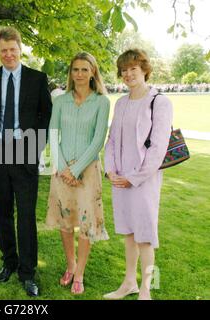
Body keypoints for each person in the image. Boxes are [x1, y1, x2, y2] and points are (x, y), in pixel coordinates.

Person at [0, 26, 52, 297]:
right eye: (3, 50)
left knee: (27, 214)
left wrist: (36, 145)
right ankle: (8, 262)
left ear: (20, 49)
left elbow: (46, 114)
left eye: (13, 49)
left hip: (24, 153)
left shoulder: (37, 78)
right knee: (3, 213)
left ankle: (28, 272)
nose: (8, 54)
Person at [103, 49, 173, 300]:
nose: (128, 74)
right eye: (123, 70)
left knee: (145, 235)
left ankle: (146, 290)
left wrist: (134, 177)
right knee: (129, 233)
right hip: (120, 179)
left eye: (133, 68)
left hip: (143, 181)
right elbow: (111, 141)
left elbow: (158, 148)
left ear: (144, 69)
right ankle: (129, 283)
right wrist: (111, 170)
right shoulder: (121, 103)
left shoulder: (159, 102)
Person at [46, 52, 110, 295]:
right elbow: (53, 133)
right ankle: (70, 266)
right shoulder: (61, 101)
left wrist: (76, 169)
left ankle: (80, 273)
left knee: (85, 223)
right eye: (76, 70)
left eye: (85, 69)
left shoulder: (102, 102)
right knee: (65, 221)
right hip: (61, 171)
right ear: (70, 73)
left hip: (88, 171)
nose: (80, 74)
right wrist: (63, 167)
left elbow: (98, 140)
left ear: (93, 72)